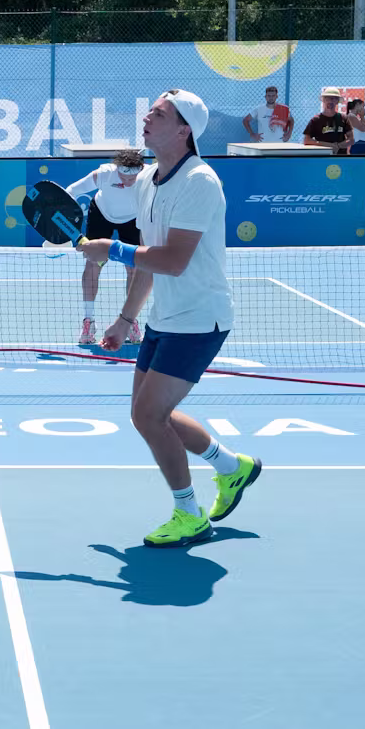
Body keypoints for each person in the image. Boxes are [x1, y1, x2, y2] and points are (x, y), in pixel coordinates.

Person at [76, 89, 262, 548]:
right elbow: (148, 262)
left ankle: (189, 513)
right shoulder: (148, 182)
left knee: (147, 413)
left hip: (200, 318)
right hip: (167, 315)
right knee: (150, 415)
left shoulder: (200, 181)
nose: (146, 119)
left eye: (158, 115)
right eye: (149, 112)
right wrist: (124, 319)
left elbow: (174, 260)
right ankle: (231, 467)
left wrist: (111, 248)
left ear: (183, 130)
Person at [66, 148, 146, 345]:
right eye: (125, 177)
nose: (129, 182)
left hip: (133, 219)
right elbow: (71, 191)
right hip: (102, 214)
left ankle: (130, 321)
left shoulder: (150, 175)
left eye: (133, 177)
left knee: (134, 269)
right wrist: (68, 223)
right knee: (94, 264)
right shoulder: (103, 174)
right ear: (117, 170)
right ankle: (88, 321)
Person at [302, 88, 351, 152]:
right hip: (322, 157)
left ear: (337, 101)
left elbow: (351, 139)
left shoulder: (344, 118)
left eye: (333, 98)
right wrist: (329, 146)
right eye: (327, 98)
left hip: (340, 157)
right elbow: (307, 140)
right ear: (323, 100)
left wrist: (339, 146)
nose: (330, 101)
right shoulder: (316, 120)